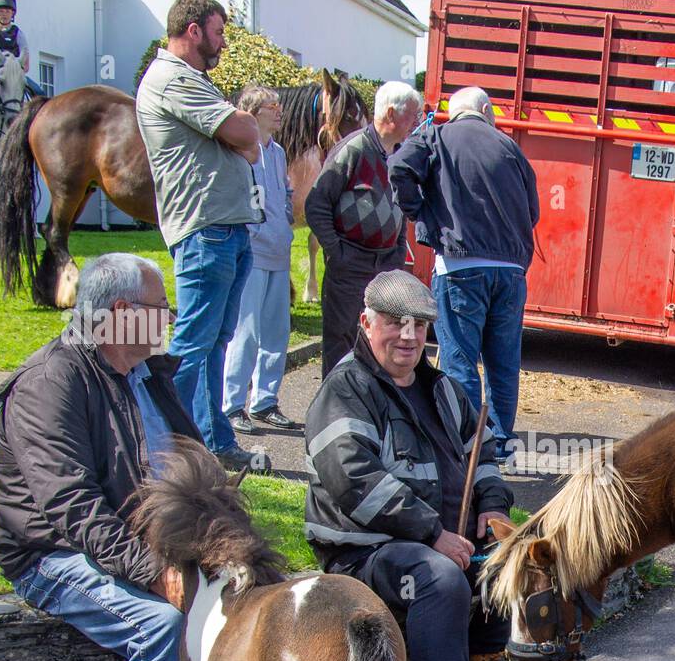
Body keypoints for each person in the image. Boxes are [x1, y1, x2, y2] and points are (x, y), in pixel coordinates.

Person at [0, 254, 210, 661]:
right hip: (51, 554)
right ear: (121, 315)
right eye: (159, 307)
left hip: (150, 541)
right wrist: (152, 571)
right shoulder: (49, 384)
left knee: (245, 596)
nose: (169, 317)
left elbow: (195, 461)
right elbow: (71, 507)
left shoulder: (144, 374)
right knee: (158, 624)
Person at [304, 270, 523, 661]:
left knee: (506, 557)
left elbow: (482, 452)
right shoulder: (345, 390)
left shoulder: (442, 388)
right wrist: (433, 533)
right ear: (366, 322)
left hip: (439, 539)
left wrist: (491, 507)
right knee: (440, 578)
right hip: (364, 551)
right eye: (394, 322)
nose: (408, 335)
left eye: (419, 325)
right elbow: (353, 481)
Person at [136, 0, 265, 471]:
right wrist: (242, 131)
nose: (223, 43)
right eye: (218, 32)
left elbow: (247, 137)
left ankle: (213, 444)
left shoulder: (194, 81)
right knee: (193, 345)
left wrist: (242, 133)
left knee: (214, 344)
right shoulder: (171, 79)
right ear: (193, 30)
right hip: (204, 232)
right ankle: (170, 452)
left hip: (225, 230)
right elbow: (246, 134)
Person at [390, 86, 540, 447]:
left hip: (460, 266)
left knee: (460, 358)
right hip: (510, 270)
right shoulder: (510, 147)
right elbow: (532, 209)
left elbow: (398, 166)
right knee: (503, 362)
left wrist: (420, 212)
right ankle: (501, 441)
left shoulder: (436, 136)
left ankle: (469, 442)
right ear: (486, 110)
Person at [305, 81, 423, 378]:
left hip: (383, 266)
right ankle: (334, 413)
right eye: (413, 115)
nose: (417, 122)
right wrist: (338, 251)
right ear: (392, 113)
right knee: (342, 343)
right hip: (351, 264)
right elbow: (316, 204)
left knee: (379, 344)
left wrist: (397, 252)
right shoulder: (353, 149)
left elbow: (400, 208)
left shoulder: (397, 153)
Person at [222, 85, 298, 434]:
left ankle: (265, 401)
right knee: (246, 331)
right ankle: (232, 403)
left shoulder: (279, 152)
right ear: (253, 112)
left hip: (280, 254)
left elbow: (282, 191)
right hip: (252, 254)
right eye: (273, 106)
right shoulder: (240, 150)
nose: (280, 111)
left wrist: (286, 217)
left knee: (276, 331)